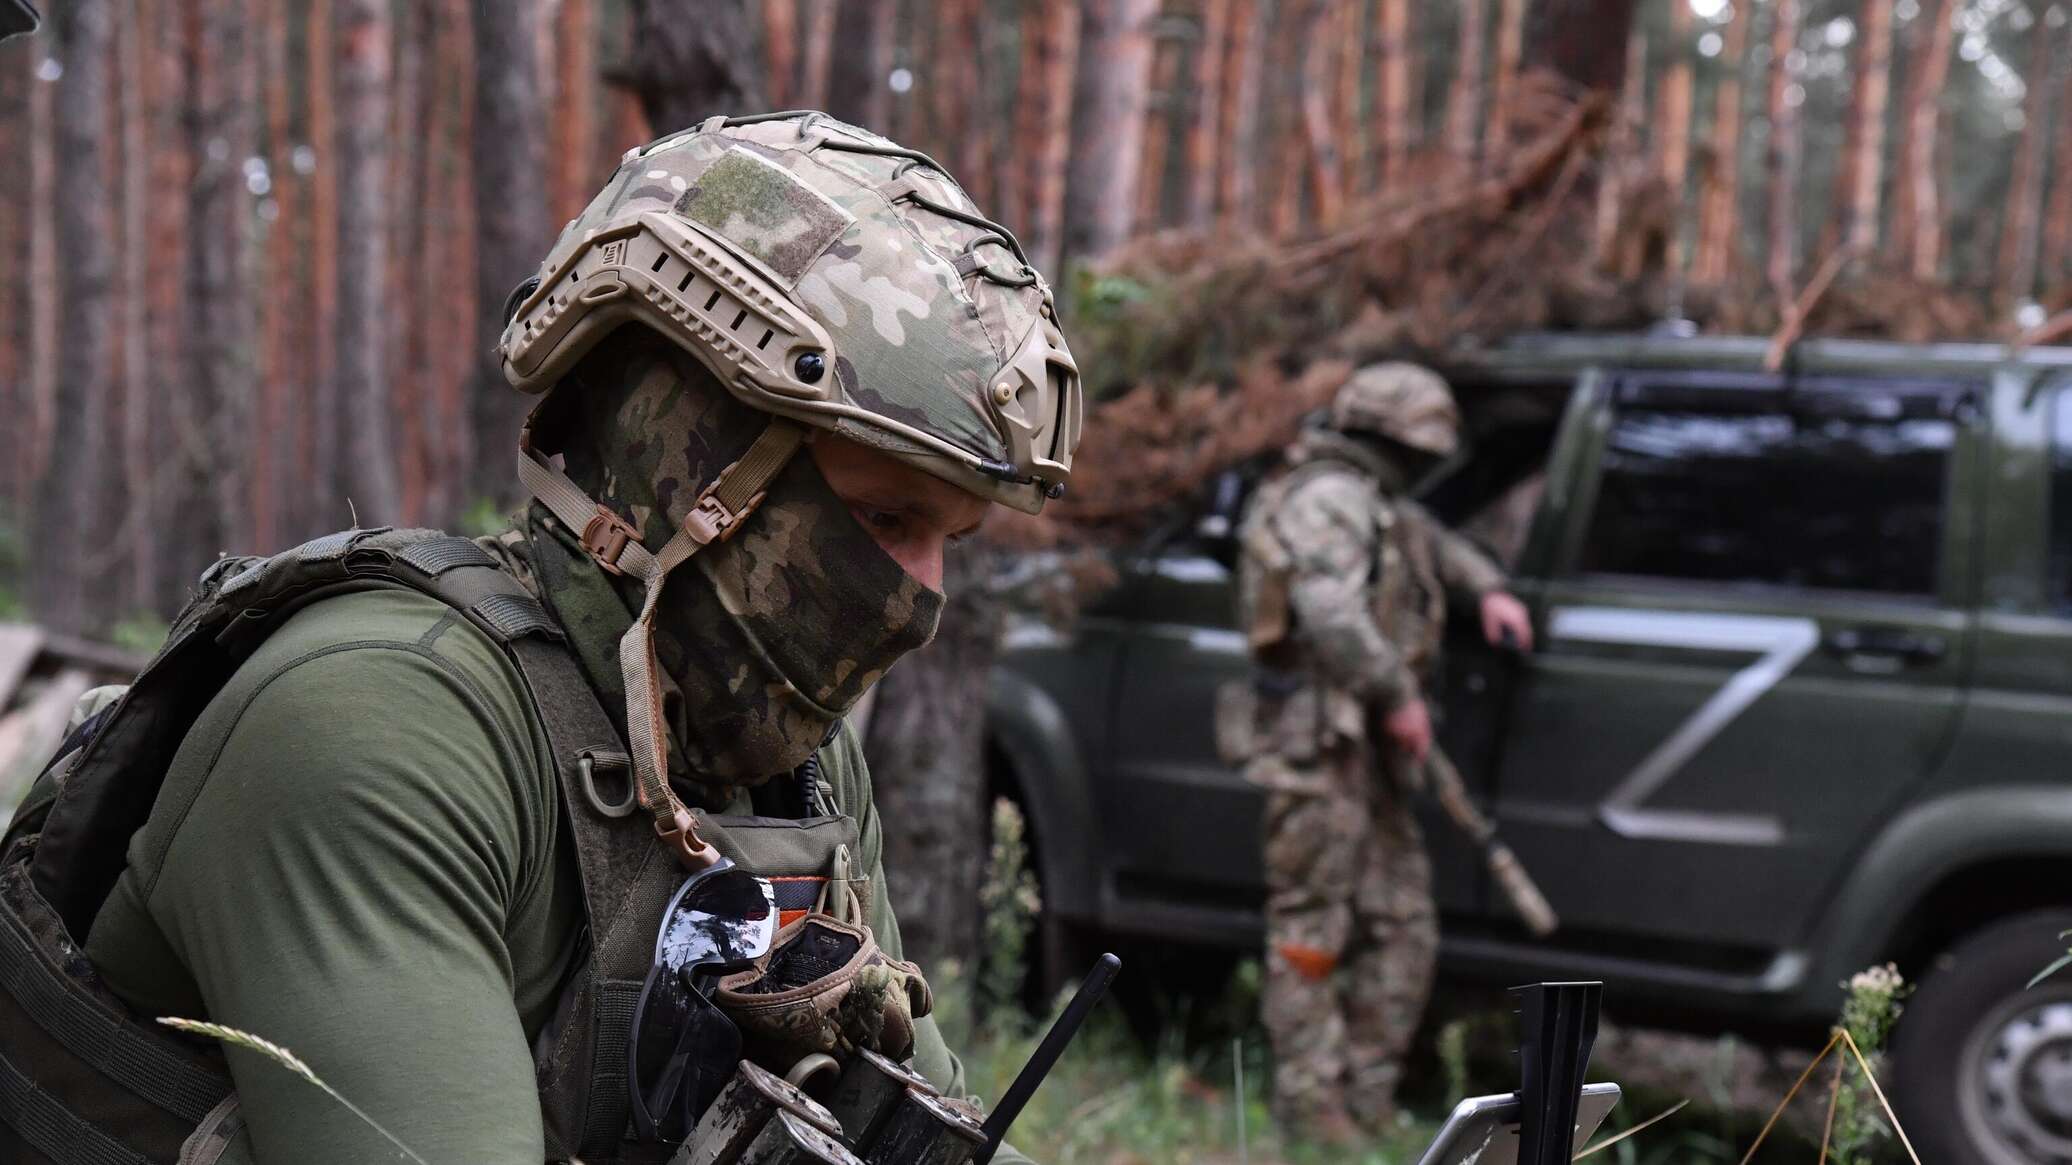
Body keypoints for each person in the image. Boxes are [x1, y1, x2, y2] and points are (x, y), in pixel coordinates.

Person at [0, 112, 1078, 1165]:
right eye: (885, 519)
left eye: (952, 539)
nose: (915, 600)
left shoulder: (785, 765)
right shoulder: (378, 725)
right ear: (683, 465)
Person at [1231, 363, 1533, 1139]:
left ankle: (1365, 1099)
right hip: (1320, 747)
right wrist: (1398, 694)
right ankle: (1311, 1108)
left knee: (1403, 926)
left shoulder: (1375, 502)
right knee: (1311, 927)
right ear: (1389, 439)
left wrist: (1487, 586)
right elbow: (1326, 608)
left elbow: (1428, 540)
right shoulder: (1328, 499)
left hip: (1365, 760)